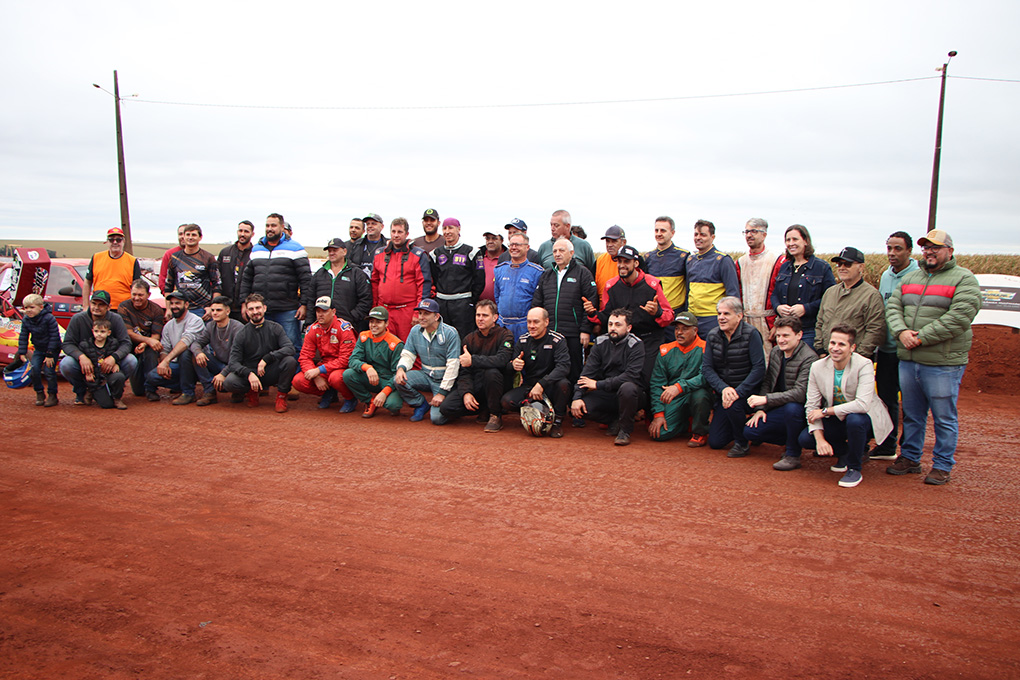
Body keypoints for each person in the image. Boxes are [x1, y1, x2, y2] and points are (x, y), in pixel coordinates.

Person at [885, 229, 981, 486]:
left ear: (949, 251)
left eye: (935, 247)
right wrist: (902, 332)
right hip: (910, 359)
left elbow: (959, 317)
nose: (929, 251)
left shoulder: (964, 279)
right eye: (926, 247)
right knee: (913, 414)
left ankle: (942, 464)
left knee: (943, 416)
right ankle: (910, 457)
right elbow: (893, 307)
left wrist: (920, 337)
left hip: (943, 363)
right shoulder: (911, 277)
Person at [800, 325, 893, 488]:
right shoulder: (817, 366)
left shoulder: (865, 364)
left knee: (855, 420)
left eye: (841, 344)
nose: (835, 348)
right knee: (806, 438)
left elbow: (862, 405)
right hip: (838, 418)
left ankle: (854, 468)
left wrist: (825, 411)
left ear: (852, 347)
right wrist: (820, 439)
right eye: (832, 343)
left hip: (866, 419)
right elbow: (811, 405)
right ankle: (845, 452)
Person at [744, 316, 819, 470]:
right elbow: (768, 381)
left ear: (799, 335)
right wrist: (760, 410)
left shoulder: (810, 358)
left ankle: (793, 454)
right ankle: (792, 438)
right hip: (778, 405)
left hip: (800, 410)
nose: (781, 340)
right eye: (778, 336)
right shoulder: (776, 352)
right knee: (750, 432)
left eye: (786, 335)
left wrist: (765, 400)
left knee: (793, 408)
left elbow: (800, 394)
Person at [870, 231, 919, 460]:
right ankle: (887, 445)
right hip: (887, 348)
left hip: (910, 351)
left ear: (909, 250)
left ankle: (909, 452)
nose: (892, 253)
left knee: (910, 402)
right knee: (887, 399)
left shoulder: (919, 275)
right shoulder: (885, 276)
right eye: (889, 248)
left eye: (898, 248)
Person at [595, 245, 674, 387]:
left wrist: (657, 312)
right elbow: (606, 315)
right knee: (620, 379)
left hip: (649, 339)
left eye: (626, 262)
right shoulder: (610, 286)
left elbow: (669, 316)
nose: (622, 266)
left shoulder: (652, 284)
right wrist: (591, 314)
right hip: (622, 340)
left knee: (648, 379)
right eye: (619, 262)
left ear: (636, 263)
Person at [238, 212, 313, 351]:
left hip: (287, 309)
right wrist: (244, 302)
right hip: (262, 309)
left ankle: (292, 373)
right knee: (263, 347)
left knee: (291, 346)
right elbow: (246, 279)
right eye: (267, 225)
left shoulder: (295, 248)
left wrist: (304, 304)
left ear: (282, 227)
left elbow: (306, 280)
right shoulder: (257, 249)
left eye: (273, 225)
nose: (269, 229)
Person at [702, 296, 766, 457]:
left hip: (747, 393)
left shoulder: (751, 334)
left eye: (726, 314)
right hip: (725, 394)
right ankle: (745, 428)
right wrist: (724, 389)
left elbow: (759, 368)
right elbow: (707, 368)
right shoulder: (712, 335)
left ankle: (742, 443)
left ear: (739, 316)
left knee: (733, 404)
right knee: (716, 442)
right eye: (719, 313)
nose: (721, 318)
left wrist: (738, 392)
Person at [570, 308, 644, 446]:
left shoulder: (636, 344)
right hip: (607, 393)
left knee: (627, 388)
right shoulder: (600, 342)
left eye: (618, 325)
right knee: (581, 407)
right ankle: (614, 420)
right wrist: (576, 398)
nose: (613, 328)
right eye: (610, 324)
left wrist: (598, 385)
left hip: (631, 394)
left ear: (629, 328)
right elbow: (587, 373)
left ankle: (624, 430)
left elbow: (630, 376)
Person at [438, 299, 515, 431]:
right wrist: (466, 393)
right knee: (447, 408)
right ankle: (483, 407)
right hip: (476, 384)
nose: (480, 319)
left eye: (485, 315)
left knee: (491, 372)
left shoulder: (505, 335)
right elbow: (464, 372)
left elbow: (501, 360)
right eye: (478, 315)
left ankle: (495, 414)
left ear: (495, 317)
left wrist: (473, 360)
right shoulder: (469, 339)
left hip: (497, 384)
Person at [531, 237, 597, 387]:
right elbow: (537, 303)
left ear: (572, 253)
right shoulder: (547, 275)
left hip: (572, 332)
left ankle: (575, 401)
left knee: (574, 369)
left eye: (562, 250)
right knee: (550, 369)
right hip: (549, 333)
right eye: (554, 251)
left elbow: (590, 303)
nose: (557, 254)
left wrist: (586, 330)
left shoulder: (583, 273)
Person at [500, 307, 572, 438]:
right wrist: (514, 365)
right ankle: (535, 412)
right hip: (530, 388)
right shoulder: (523, 341)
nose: (531, 326)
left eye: (536, 322)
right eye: (529, 322)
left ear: (546, 322)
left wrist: (542, 384)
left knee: (564, 384)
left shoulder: (557, 340)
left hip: (550, 385)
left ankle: (557, 422)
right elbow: (508, 366)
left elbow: (564, 367)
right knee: (507, 401)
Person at [59, 290, 138, 408]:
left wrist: (114, 358)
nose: (96, 307)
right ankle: (82, 392)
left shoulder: (116, 319)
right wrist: (81, 357)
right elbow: (67, 344)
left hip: (108, 362)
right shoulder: (78, 319)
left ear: (109, 307)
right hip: (86, 362)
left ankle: (113, 390)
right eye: (94, 303)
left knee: (131, 360)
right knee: (66, 364)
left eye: (101, 304)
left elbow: (126, 343)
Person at [222, 294, 299, 413]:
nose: (255, 312)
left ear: (264, 308)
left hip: (271, 370)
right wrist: (248, 374)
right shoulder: (241, 333)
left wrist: (267, 358)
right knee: (229, 382)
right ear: (247, 312)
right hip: (251, 373)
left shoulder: (275, 328)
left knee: (289, 361)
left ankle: (281, 397)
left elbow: (290, 348)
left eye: (258, 308)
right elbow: (233, 362)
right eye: (251, 309)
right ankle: (252, 392)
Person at [647, 312, 712, 445]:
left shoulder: (706, 348)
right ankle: (685, 423)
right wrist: (658, 414)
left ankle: (700, 432)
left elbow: (705, 377)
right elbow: (656, 383)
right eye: (677, 328)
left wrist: (680, 387)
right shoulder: (666, 350)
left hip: (695, 393)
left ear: (695, 331)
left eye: (685, 329)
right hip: (674, 398)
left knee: (700, 395)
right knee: (660, 434)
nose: (679, 332)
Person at [393, 299, 461, 424]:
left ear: (436, 316)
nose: (421, 317)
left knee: (437, 419)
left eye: (426, 314)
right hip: (425, 375)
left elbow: (453, 365)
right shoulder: (415, 331)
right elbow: (408, 354)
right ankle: (421, 404)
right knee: (398, 380)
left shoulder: (450, 333)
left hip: (443, 379)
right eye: (420, 313)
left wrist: (442, 392)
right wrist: (401, 368)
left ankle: (451, 407)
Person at [770, 224, 836, 351]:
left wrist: (806, 308)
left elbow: (830, 298)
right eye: (788, 240)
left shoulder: (821, 267)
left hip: (809, 329)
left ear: (805, 241)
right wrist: (778, 307)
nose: (791, 243)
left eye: (795, 239)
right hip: (786, 330)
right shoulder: (785, 267)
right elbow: (774, 294)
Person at [814, 246, 886, 358]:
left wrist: (857, 357)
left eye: (847, 264)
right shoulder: (830, 292)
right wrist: (820, 350)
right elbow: (820, 323)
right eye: (839, 264)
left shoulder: (871, 295)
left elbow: (875, 331)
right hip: (828, 357)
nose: (842, 268)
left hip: (855, 361)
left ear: (861, 267)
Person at [371, 217, 433, 342]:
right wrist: (375, 308)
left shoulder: (418, 255)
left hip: (407, 310)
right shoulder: (379, 254)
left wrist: (418, 313)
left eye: (399, 232)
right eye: (393, 232)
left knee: (409, 347)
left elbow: (424, 285)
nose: (396, 235)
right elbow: (374, 283)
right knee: (384, 346)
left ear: (407, 234)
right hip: (384, 309)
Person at [292, 296, 358, 410]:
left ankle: (350, 398)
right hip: (324, 367)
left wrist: (319, 370)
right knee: (298, 381)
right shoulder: (313, 328)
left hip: (344, 368)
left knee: (335, 378)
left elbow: (346, 359)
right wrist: (316, 376)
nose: (320, 314)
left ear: (333, 312)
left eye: (324, 311)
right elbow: (305, 356)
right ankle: (328, 392)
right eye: (318, 311)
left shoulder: (344, 328)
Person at [143, 291, 208, 405]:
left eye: (178, 303)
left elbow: (185, 342)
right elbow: (165, 349)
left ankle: (188, 392)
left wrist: (167, 360)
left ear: (186, 304)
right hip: (176, 364)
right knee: (152, 376)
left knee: (185, 353)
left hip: (196, 364)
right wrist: (165, 364)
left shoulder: (195, 320)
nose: (174, 307)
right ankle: (181, 385)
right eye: (172, 303)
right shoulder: (168, 325)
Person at [342, 306, 405, 418]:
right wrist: (367, 368)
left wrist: (384, 393)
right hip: (371, 378)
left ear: (386, 324)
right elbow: (352, 360)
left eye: (378, 322)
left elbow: (397, 374)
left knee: (393, 405)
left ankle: (391, 399)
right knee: (348, 374)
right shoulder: (363, 336)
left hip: (388, 381)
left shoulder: (396, 344)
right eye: (371, 321)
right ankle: (369, 401)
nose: (374, 325)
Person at [737, 218, 783, 357]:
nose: (749, 235)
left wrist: (778, 322)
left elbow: (782, 293)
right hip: (746, 320)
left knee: (770, 360)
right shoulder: (740, 263)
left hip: (768, 321)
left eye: (754, 231)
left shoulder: (777, 260)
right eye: (746, 231)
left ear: (764, 234)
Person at [687, 219, 740, 339]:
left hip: (712, 318)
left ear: (712, 237)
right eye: (696, 234)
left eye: (703, 235)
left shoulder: (722, 260)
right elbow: (688, 291)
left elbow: (733, 293)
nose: (698, 238)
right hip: (693, 318)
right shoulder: (691, 261)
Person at [430, 217, 481, 340]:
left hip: (463, 304)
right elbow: (435, 277)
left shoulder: (471, 252)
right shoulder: (435, 254)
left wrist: (469, 300)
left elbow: (479, 280)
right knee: (442, 338)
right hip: (442, 303)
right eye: (445, 228)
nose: (447, 232)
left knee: (463, 339)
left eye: (451, 228)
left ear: (458, 229)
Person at [189, 295, 244, 406]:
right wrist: (198, 352)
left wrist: (223, 374)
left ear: (227, 311)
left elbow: (238, 358)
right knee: (196, 356)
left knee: (230, 382)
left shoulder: (237, 327)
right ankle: (209, 392)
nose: (214, 313)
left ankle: (239, 391)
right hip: (219, 363)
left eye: (218, 310)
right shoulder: (210, 326)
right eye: (213, 310)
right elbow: (196, 343)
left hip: (237, 366)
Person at [643, 217, 690, 338]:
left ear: (672, 233)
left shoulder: (683, 256)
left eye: (663, 231)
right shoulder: (648, 257)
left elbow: (689, 287)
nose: (659, 234)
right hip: (655, 315)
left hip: (676, 315)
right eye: (656, 230)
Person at [493, 232, 545, 340]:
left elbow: (539, 301)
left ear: (527, 247)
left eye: (518, 244)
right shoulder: (499, 270)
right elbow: (497, 296)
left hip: (524, 326)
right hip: (503, 325)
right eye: (511, 245)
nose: (514, 247)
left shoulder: (537, 272)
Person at [164, 223, 221, 320]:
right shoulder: (174, 258)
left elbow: (217, 285)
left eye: (194, 235)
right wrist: (168, 308)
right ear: (183, 237)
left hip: (202, 309)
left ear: (200, 237)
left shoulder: (208, 258)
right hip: (180, 308)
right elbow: (168, 286)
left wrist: (212, 307)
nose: (190, 238)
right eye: (188, 234)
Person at [310, 238, 372, 328]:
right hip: (323, 327)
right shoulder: (319, 274)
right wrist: (310, 321)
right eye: (329, 251)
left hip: (348, 326)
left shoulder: (356, 273)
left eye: (335, 250)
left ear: (344, 251)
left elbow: (366, 299)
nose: (331, 253)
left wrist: (352, 317)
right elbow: (311, 298)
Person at [119, 278, 165, 397]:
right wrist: (146, 340)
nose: (137, 298)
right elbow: (127, 332)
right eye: (134, 294)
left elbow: (156, 334)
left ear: (148, 295)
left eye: (141, 295)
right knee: (138, 392)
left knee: (153, 350)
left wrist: (146, 343)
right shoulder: (124, 307)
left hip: (148, 344)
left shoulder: (156, 310)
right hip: (130, 343)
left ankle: (151, 388)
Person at [16, 293, 60, 407]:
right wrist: (22, 352)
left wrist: (50, 354)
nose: (28, 310)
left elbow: (54, 336)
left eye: (32, 307)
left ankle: (52, 395)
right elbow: (23, 336)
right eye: (26, 308)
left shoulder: (49, 318)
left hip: (52, 349)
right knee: (34, 369)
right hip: (39, 349)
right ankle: (39, 393)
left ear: (41, 307)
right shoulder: (26, 319)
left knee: (49, 372)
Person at [83, 227, 141, 311]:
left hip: (124, 309)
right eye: (111, 240)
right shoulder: (96, 258)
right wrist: (85, 306)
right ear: (107, 242)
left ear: (123, 241)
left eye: (118, 240)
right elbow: (87, 282)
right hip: (100, 308)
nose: (115, 242)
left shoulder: (132, 261)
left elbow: (138, 287)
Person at [77, 319, 128, 409]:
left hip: (108, 373)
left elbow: (118, 356)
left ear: (108, 333)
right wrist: (88, 373)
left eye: (102, 331)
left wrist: (116, 363)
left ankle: (117, 398)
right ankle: (90, 392)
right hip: (94, 377)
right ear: (92, 331)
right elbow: (82, 363)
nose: (99, 334)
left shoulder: (114, 343)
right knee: (106, 405)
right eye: (96, 331)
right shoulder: (85, 345)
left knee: (119, 376)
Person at [537, 210, 596, 274]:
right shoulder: (544, 247)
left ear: (567, 226)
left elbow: (592, 273)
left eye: (556, 225)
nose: (552, 228)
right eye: (551, 225)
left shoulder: (583, 246)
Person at [217, 220, 255, 320]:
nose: (242, 234)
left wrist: (247, 302)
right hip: (226, 305)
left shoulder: (256, 253)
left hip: (246, 306)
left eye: (246, 232)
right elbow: (217, 279)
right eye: (240, 231)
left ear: (252, 234)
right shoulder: (225, 252)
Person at [594, 225, 628, 301]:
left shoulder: (632, 261)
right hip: (603, 307)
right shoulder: (600, 260)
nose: (609, 245)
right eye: (607, 241)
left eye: (614, 241)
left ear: (624, 242)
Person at [349, 213, 387, 277]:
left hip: (379, 283)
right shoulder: (357, 244)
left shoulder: (387, 245)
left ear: (382, 227)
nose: (370, 226)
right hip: (360, 284)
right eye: (368, 224)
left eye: (373, 224)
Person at [474, 230, 506, 303]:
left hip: (500, 307)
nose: (490, 241)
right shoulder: (478, 257)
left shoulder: (509, 258)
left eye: (494, 238)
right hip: (478, 306)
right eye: (488, 238)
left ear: (502, 240)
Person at [157, 224, 186, 293]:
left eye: (185, 234)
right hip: (174, 298)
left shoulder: (201, 256)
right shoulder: (170, 254)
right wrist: (168, 296)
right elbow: (163, 278)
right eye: (180, 234)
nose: (182, 237)